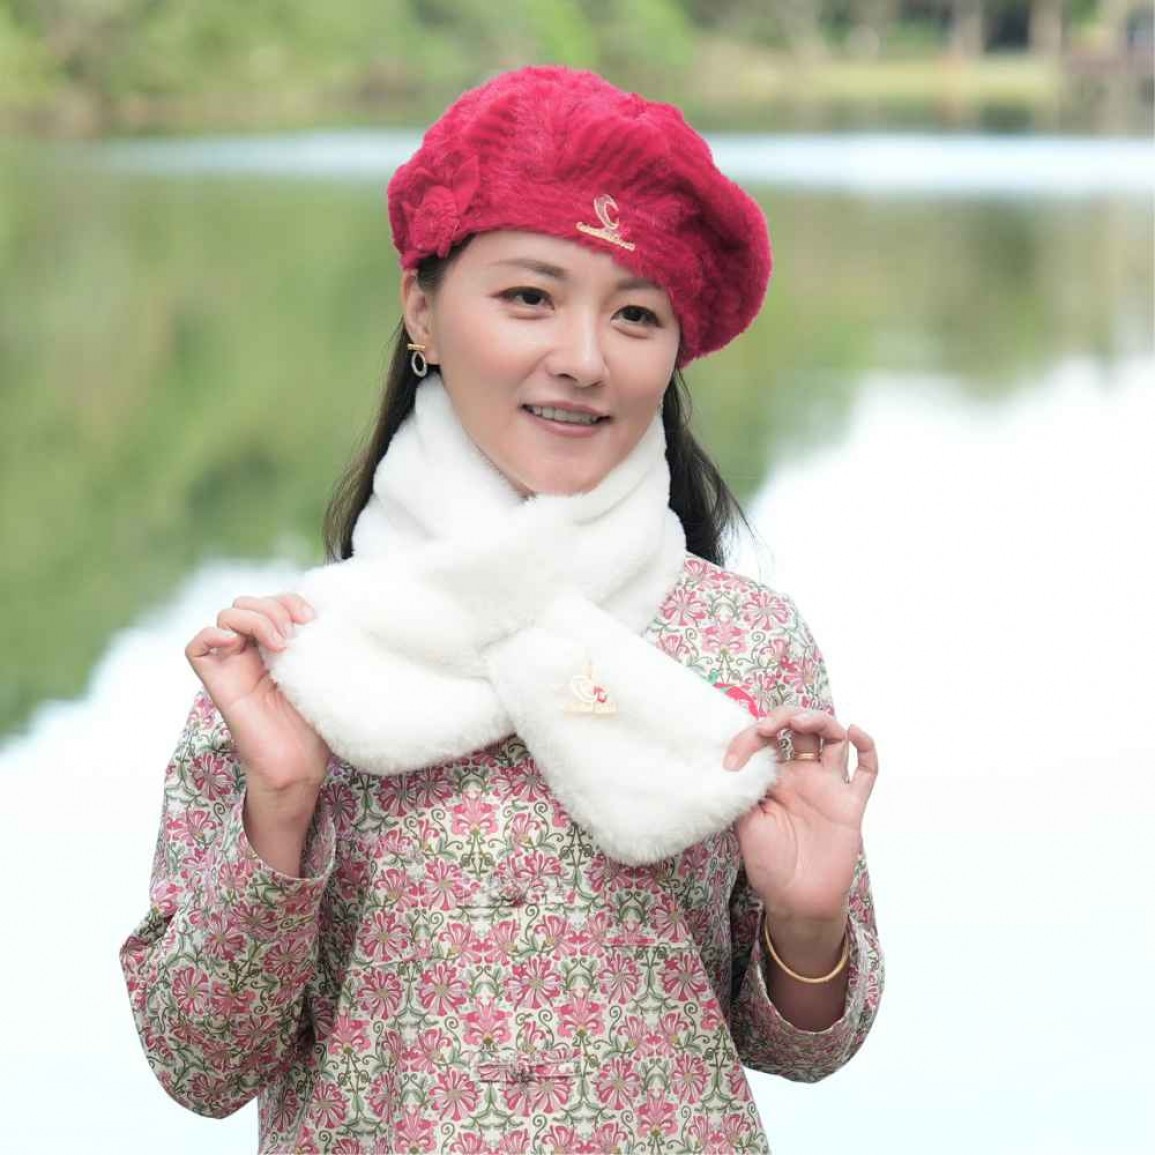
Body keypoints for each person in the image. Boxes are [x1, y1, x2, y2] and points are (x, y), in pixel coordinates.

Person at [120, 65, 884, 1154]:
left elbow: (805, 1049)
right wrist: (279, 805)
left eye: (635, 314)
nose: (582, 359)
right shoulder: (295, 659)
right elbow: (197, 1065)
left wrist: (808, 921)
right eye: (530, 297)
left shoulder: (745, 641)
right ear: (422, 310)